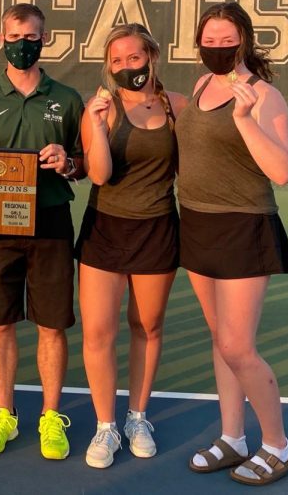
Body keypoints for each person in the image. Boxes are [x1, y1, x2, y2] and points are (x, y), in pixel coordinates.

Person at [177, 2, 288, 486]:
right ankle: (234, 437)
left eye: (228, 42)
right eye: (211, 41)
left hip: (244, 226)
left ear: (243, 42)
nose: (219, 49)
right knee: (220, 341)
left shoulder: (265, 96)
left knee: (237, 346)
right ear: (199, 44)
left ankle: (277, 446)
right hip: (198, 223)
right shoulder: (202, 85)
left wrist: (246, 119)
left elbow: (282, 171)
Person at [0, 3, 83, 460]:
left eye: (32, 37)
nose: (23, 44)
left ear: (44, 39)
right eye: (15, 36)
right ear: (1, 37)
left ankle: (51, 417)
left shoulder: (67, 98)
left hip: (51, 222)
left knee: (52, 325)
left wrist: (67, 162)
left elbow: (84, 163)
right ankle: (4, 414)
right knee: (1, 323)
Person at [75, 24, 187, 468]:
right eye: (116, 60)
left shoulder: (176, 107)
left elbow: (187, 170)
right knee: (98, 332)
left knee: (147, 327)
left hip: (157, 230)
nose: (125, 66)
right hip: (105, 229)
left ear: (151, 57)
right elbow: (98, 175)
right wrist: (99, 127)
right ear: (108, 65)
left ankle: (138, 417)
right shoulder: (98, 108)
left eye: (133, 58)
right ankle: (107, 427)